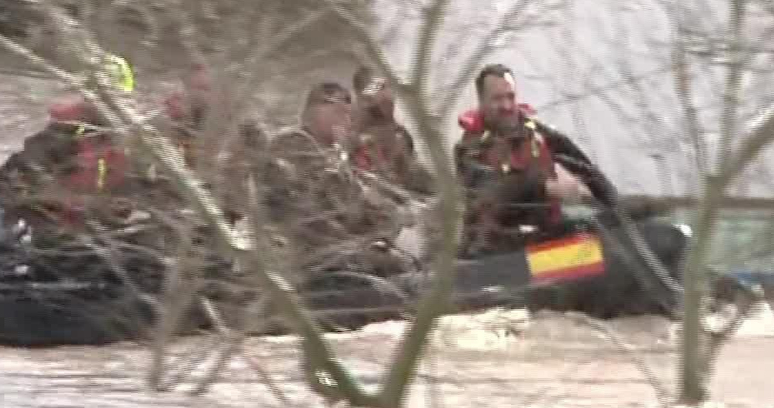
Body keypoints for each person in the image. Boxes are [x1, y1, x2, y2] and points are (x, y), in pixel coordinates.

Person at [453, 63, 618, 255]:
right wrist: (544, 187)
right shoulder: (469, 150)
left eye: (510, 97)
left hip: (548, 232)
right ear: (481, 101)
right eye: (497, 99)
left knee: (621, 218)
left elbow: (584, 167)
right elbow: (494, 191)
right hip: (499, 246)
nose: (506, 106)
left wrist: (605, 198)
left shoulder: (536, 131)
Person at [0, 53, 144, 241]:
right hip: (60, 241)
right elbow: (2, 191)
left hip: (117, 241)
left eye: (120, 100)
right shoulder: (61, 137)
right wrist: (74, 205)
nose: (114, 109)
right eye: (105, 99)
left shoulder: (142, 145)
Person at [257, 82, 404, 274]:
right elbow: (313, 209)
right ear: (314, 111)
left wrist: (389, 217)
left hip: (334, 249)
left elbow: (361, 202)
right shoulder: (292, 143)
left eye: (348, 115)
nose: (345, 121)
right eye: (338, 112)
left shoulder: (332, 154)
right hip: (304, 253)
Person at [348, 65, 434, 198]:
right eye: (379, 88)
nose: (388, 95)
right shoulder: (359, 137)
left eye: (389, 87)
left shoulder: (399, 132)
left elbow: (413, 173)